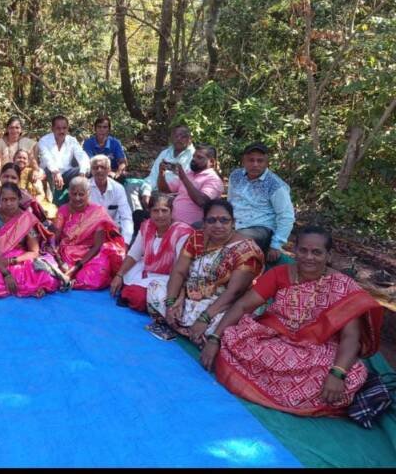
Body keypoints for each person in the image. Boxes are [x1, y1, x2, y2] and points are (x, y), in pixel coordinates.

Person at [201, 227, 383, 417]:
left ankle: (272, 387)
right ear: (294, 250)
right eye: (303, 250)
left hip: (318, 349)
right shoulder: (279, 274)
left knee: (354, 374)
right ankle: (300, 398)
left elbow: (351, 337)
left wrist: (338, 372)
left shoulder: (343, 286)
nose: (309, 257)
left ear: (328, 255)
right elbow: (243, 306)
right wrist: (215, 338)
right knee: (233, 339)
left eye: (317, 252)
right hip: (275, 341)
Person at [146, 199, 264, 345]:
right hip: (190, 295)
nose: (218, 225)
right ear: (204, 223)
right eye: (211, 220)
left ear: (233, 222)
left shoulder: (247, 251)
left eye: (224, 220)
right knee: (155, 287)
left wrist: (204, 318)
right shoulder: (197, 238)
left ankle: (182, 327)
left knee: (223, 327)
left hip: (222, 304)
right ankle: (187, 328)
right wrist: (171, 303)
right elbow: (179, 271)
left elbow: (234, 293)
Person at [0, 182, 62, 298]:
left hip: (19, 259)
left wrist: (11, 261)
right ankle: (29, 288)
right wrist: (6, 274)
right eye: (4, 200)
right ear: (0, 200)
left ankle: (26, 287)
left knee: (46, 274)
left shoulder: (25, 218)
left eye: (13, 199)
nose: (8, 203)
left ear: (19, 199)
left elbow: (34, 252)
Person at [109, 193, 193, 311]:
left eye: (164, 210)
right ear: (149, 212)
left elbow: (181, 269)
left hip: (169, 277)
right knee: (116, 266)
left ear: (172, 212)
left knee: (138, 296)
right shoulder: (147, 226)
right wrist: (119, 275)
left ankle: (131, 292)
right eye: (155, 211)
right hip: (147, 269)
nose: (160, 215)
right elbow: (134, 254)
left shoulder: (182, 232)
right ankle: (130, 290)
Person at [52, 176, 126, 290]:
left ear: (88, 193)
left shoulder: (97, 212)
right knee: (52, 265)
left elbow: (97, 246)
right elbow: (55, 237)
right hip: (67, 253)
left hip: (91, 255)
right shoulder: (63, 210)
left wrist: (76, 267)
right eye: (74, 194)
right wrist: (56, 255)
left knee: (97, 276)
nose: (77, 198)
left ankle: (69, 280)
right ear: (69, 193)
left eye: (81, 194)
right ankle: (63, 276)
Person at [227, 142, 295, 264]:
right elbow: (230, 201)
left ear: (266, 163)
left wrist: (276, 245)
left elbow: (286, 216)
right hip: (233, 222)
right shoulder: (236, 175)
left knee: (235, 242)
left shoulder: (275, 185)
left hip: (259, 228)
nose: (255, 164)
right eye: (251, 160)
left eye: (260, 161)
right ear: (243, 161)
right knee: (200, 228)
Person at [126, 125, 195, 215]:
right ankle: (136, 216)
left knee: (162, 197)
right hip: (156, 186)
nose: (179, 139)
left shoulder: (193, 156)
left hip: (173, 192)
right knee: (130, 186)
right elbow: (153, 175)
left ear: (190, 139)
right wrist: (146, 191)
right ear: (172, 138)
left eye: (183, 136)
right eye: (176, 136)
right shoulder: (165, 153)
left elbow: (183, 183)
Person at [157, 144, 224, 227]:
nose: (194, 159)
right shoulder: (189, 174)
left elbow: (202, 201)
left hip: (194, 227)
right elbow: (164, 190)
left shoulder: (214, 180)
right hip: (173, 223)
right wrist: (161, 174)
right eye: (193, 156)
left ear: (212, 162)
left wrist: (183, 178)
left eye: (199, 157)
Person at [37, 115, 90, 205]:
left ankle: (82, 201)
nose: (61, 131)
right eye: (58, 128)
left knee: (89, 169)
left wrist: (82, 172)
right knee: (50, 173)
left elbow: (82, 155)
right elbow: (48, 159)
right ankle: (54, 204)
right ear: (52, 129)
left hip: (66, 173)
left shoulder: (72, 140)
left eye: (64, 128)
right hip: (49, 172)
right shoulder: (44, 141)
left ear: (67, 128)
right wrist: (56, 172)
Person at [88, 155, 134, 244]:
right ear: (91, 170)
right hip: (89, 233)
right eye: (95, 168)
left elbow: (126, 217)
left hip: (112, 233)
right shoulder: (85, 188)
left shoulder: (118, 188)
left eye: (103, 167)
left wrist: (125, 242)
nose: (99, 170)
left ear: (109, 169)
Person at [14, 148, 56, 219]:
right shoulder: (10, 171)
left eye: (24, 158)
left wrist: (33, 204)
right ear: (14, 159)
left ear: (28, 162)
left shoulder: (33, 173)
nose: (21, 160)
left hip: (34, 203)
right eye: (19, 157)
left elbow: (40, 194)